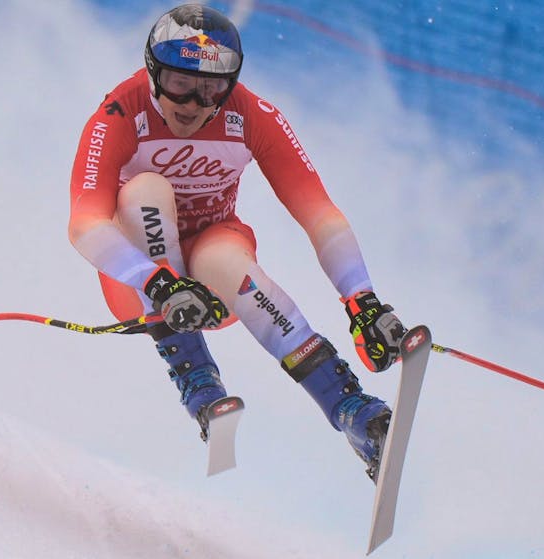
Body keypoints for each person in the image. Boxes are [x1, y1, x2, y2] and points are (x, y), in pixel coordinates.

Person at [68, 4, 406, 480]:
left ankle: (351, 409)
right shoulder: (120, 113)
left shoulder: (251, 115)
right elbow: (84, 223)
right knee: (146, 191)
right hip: (138, 283)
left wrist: (362, 299)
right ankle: (197, 380)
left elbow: (319, 214)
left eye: (211, 89)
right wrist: (159, 282)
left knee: (226, 258)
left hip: (212, 281)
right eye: (179, 84)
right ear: (152, 72)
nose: (193, 104)